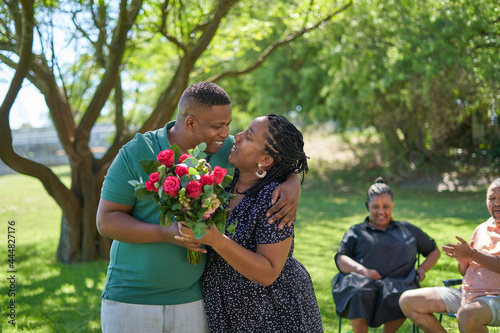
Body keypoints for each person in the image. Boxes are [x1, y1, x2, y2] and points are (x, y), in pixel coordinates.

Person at [96, 82, 302, 333]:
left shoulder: (226, 150)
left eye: (228, 124)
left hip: (194, 302)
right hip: (131, 300)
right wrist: (166, 233)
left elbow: (273, 159)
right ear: (191, 123)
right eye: (218, 126)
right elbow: (106, 221)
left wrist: (292, 182)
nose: (226, 133)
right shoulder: (138, 151)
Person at [176, 114, 323, 332]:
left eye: (249, 136)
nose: (236, 136)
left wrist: (216, 240)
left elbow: (268, 272)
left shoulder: (274, 199)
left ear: (265, 160)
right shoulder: (227, 184)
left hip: (274, 313)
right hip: (232, 312)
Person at [331, 177, 441, 333]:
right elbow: (341, 258)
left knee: (402, 296)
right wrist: (363, 271)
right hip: (363, 281)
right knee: (358, 292)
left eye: (386, 206)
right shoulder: (356, 231)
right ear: (367, 206)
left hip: (399, 283)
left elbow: (434, 251)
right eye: (375, 207)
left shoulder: (407, 229)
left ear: (392, 206)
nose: (381, 212)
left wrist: (422, 270)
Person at [399, 178, 500, 333]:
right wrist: (463, 260)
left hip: (495, 298)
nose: (497, 203)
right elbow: (464, 272)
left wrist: (472, 253)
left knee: (467, 314)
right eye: (492, 198)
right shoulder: (481, 229)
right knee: (408, 301)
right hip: (466, 294)